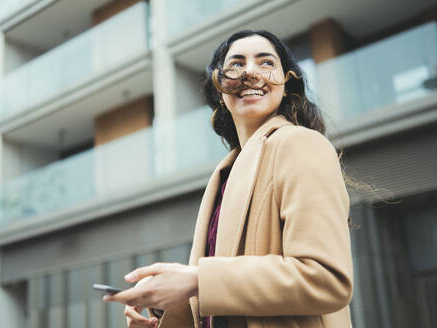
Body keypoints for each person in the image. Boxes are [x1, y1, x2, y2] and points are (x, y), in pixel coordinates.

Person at [103, 29, 353, 328]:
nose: (249, 72)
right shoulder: (225, 173)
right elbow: (226, 304)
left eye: (266, 63)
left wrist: (197, 280)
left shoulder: (300, 144)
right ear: (220, 91)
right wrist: (169, 311)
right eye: (235, 64)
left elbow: (325, 278)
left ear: (286, 86)